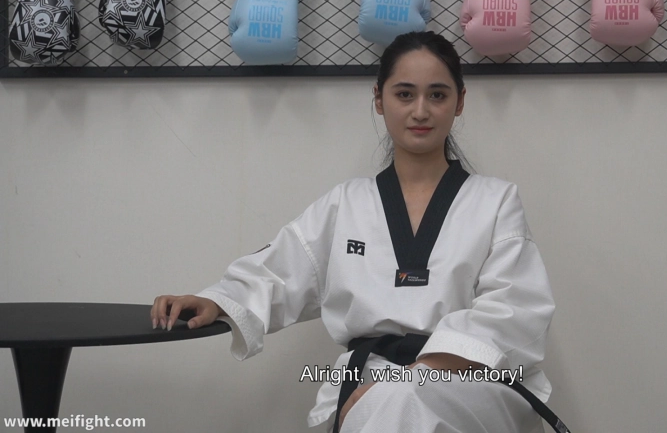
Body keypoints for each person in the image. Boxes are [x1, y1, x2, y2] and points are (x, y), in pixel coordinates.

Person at [151, 31, 557, 433]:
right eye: (404, 94)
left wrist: (417, 375)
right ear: (379, 99)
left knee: (403, 400)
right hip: (370, 381)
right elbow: (280, 270)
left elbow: (514, 310)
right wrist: (218, 299)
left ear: (460, 101)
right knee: (392, 401)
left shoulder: (496, 201)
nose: (420, 111)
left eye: (437, 95)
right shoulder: (346, 204)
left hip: (468, 382)